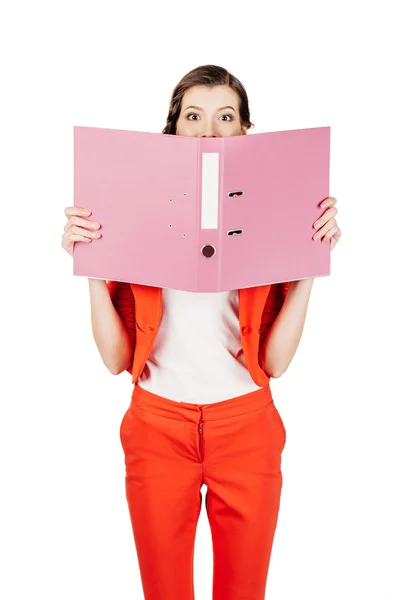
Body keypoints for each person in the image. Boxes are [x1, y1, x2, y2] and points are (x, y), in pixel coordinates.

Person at [62, 64, 341, 600]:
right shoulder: (132, 218)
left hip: (248, 428)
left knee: (244, 591)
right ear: (172, 132)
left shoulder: (271, 222)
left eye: (225, 117)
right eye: (193, 116)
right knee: (163, 590)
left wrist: (311, 263)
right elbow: (115, 359)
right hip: (155, 427)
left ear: (244, 134)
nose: (209, 130)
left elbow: (276, 365)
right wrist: (91, 269)